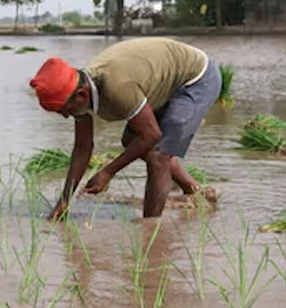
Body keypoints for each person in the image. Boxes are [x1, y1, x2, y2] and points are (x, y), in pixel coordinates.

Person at [28, 37, 222, 220]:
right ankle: (194, 190)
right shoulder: (80, 90)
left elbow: (152, 135)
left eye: (64, 110)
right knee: (131, 141)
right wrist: (64, 202)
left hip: (196, 78)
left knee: (157, 156)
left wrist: (107, 172)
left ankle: (151, 228)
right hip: (162, 77)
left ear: (81, 95)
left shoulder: (116, 86)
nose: (65, 116)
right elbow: (82, 148)